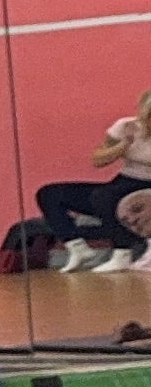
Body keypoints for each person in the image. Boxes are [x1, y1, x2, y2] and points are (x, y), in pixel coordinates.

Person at [34, 95, 151, 270]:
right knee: (50, 193)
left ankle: (122, 253)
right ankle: (77, 247)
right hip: (123, 182)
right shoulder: (127, 127)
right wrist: (124, 144)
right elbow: (98, 160)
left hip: (146, 187)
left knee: (105, 196)